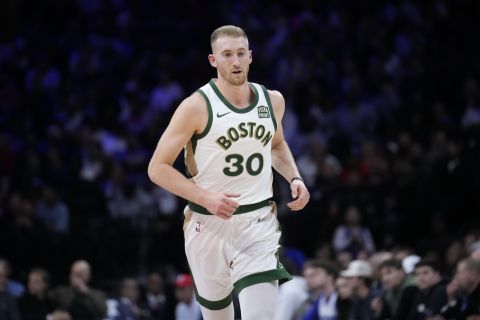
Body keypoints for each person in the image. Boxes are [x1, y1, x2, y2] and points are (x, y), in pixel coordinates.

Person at [147, 25, 310, 320]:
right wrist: (205, 197)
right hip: (207, 224)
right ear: (213, 60)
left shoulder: (272, 101)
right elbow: (157, 169)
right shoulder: (196, 106)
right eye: (227, 55)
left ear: (250, 57)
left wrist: (294, 177)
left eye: (240, 54)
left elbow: (277, 144)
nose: (235, 61)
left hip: (257, 221)